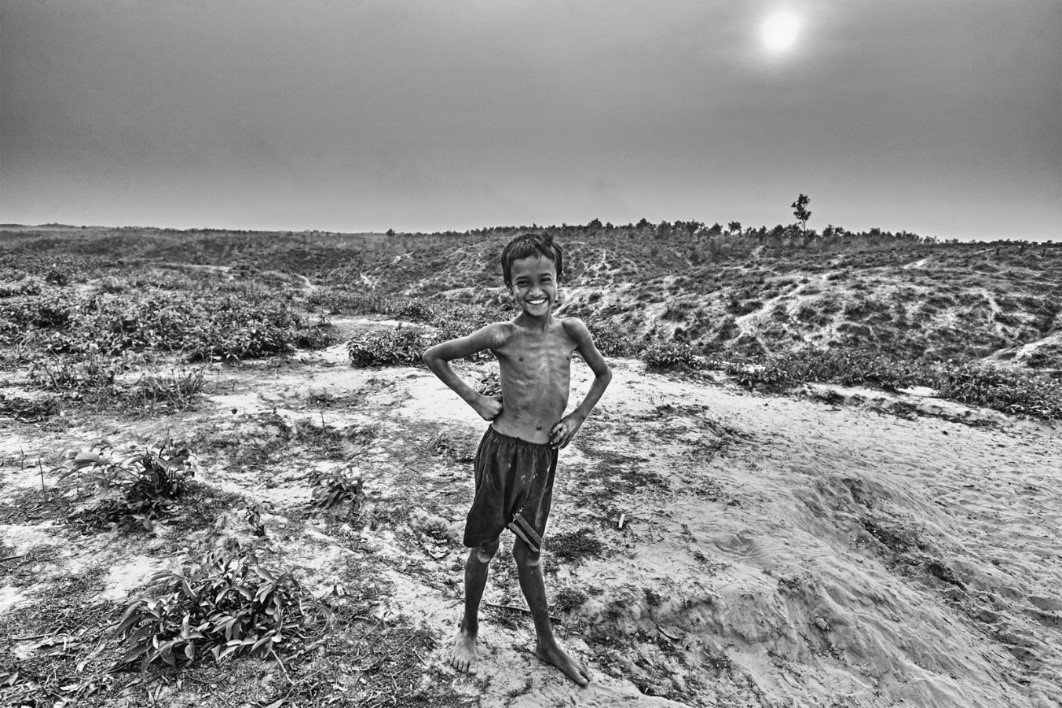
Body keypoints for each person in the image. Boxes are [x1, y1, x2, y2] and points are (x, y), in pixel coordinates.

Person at [422, 232, 612, 686]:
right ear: (510, 286)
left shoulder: (573, 332)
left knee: (529, 555)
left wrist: (578, 417)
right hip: (502, 455)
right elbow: (435, 356)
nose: (535, 291)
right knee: (485, 547)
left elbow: (603, 375)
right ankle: (469, 628)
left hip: (543, 458)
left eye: (544, 280)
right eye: (522, 282)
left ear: (559, 282)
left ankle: (546, 642)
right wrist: (475, 400)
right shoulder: (501, 335)